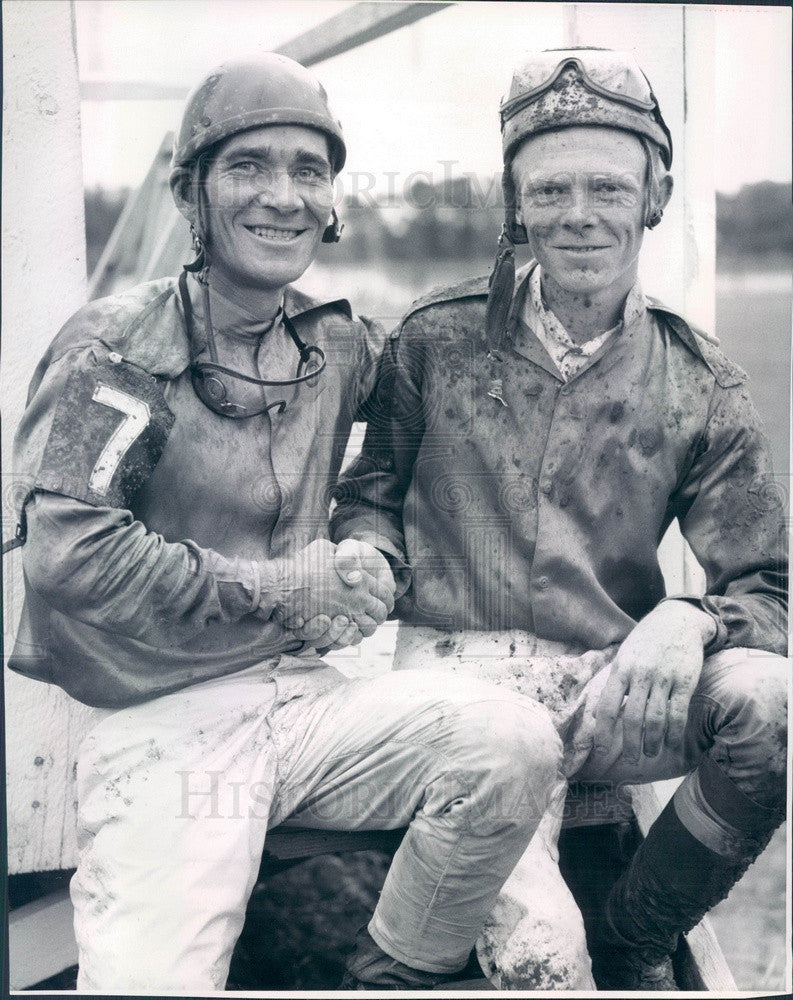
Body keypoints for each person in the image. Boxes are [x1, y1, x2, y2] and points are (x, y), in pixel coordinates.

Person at [7, 53, 563, 993]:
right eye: (249, 166)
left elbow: (382, 473)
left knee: (511, 743)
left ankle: (391, 973)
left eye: (309, 170)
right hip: (164, 724)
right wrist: (282, 585)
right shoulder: (120, 347)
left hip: (305, 699)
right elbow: (70, 555)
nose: (283, 196)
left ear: (333, 200)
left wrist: (367, 556)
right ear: (193, 191)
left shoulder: (334, 341)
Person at [330, 48, 788, 990]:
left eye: (608, 188)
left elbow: (770, 592)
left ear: (653, 195)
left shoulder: (700, 382)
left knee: (771, 709)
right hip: (460, 703)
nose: (579, 215)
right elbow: (369, 496)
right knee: (545, 967)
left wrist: (688, 618)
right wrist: (364, 559)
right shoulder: (433, 339)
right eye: (551, 190)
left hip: (608, 689)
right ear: (515, 202)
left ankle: (635, 937)